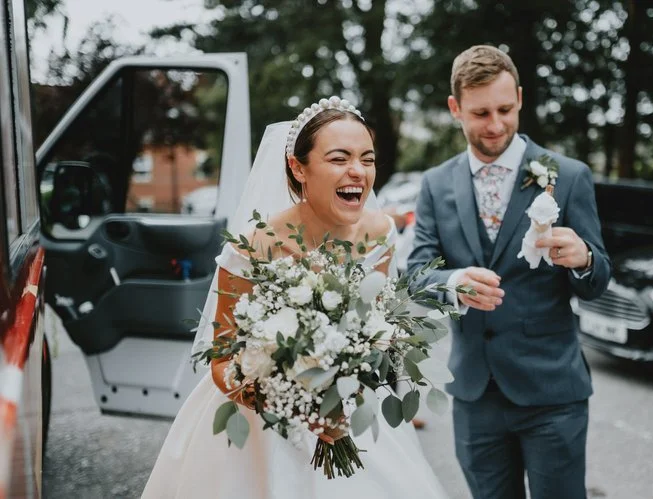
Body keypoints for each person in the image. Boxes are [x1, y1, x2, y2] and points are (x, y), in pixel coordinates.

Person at [142, 99, 449, 499]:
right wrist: (288, 402)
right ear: (298, 167)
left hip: (350, 418)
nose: (357, 170)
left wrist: (359, 375)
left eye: (367, 159)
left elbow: (375, 329)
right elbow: (221, 359)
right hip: (261, 424)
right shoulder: (257, 244)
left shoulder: (380, 233)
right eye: (339, 158)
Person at [406, 46, 611, 499]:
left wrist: (585, 259)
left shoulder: (570, 175)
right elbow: (416, 276)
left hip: (553, 393)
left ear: (519, 97)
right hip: (475, 395)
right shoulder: (436, 184)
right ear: (455, 108)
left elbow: (599, 281)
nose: (495, 125)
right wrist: (453, 284)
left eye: (504, 109)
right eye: (480, 113)